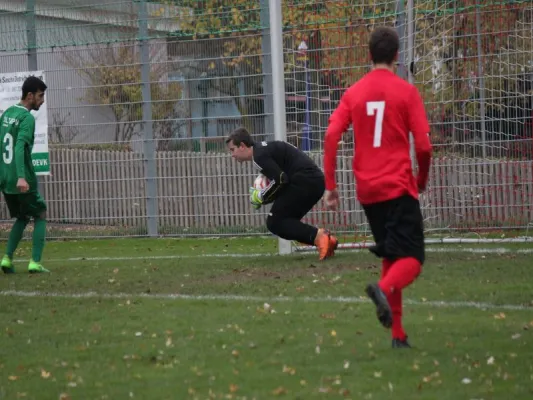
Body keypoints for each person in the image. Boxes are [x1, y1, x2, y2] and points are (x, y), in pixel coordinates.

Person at [322, 26, 432, 348]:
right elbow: (424, 146)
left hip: (368, 191)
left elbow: (330, 136)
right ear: (397, 57)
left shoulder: (354, 93)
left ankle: (398, 335)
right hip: (398, 186)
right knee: (412, 259)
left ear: (369, 56)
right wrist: (421, 180)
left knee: (390, 255)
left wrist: (331, 185)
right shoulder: (406, 92)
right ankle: (382, 289)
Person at [226, 127, 337, 260]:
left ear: (242, 146)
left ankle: (320, 237)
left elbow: (280, 179)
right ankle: (328, 241)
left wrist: (260, 196)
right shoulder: (262, 149)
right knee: (283, 220)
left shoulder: (259, 156)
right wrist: (265, 197)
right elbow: (282, 180)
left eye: (233, 150)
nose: (232, 155)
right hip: (312, 181)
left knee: (275, 222)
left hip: (305, 181)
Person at [0, 76, 49, 274]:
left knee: (21, 216)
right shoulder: (27, 118)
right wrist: (21, 176)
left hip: (5, 178)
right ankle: (35, 262)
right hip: (22, 178)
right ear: (30, 96)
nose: (42, 100)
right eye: (40, 95)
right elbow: (19, 146)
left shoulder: (7, 113)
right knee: (40, 213)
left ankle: (7, 259)